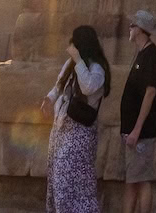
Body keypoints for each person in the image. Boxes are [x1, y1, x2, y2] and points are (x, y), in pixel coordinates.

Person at [43, 24, 110, 213]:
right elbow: (59, 86)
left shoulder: (97, 68)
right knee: (56, 180)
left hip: (80, 132)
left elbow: (88, 87)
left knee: (71, 182)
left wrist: (79, 60)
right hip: (61, 130)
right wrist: (48, 99)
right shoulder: (71, 64)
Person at [119, 9, 156, 213]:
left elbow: (151, 92)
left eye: (133, 25)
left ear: (141, 30)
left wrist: (137, 130)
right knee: (134, 181)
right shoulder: (141, 54)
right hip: (134, 131)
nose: (130, 28)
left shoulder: (151, 55)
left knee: (140, 181)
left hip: (141, 133)